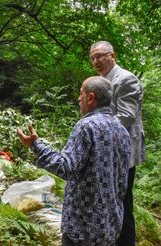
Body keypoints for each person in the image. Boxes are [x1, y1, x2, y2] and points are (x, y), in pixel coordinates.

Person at [17, 76, 131, 245]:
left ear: (91, 98)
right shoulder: (122, 131)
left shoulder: (87, 126)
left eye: (81, 93)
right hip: (111, 226)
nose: (79, 98)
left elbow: (66, 167)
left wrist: (35, 145)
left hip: (83, 228)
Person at [90, 41, 146, 245]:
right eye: (93, 57)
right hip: (108, 149)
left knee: (122, 200)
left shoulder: (125, 79)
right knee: (110, 199)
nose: (96, 60)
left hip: (124, 150)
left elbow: (127, 116)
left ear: (112, 56)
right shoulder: (101, 79)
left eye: (100, 56)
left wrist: (95, 127)